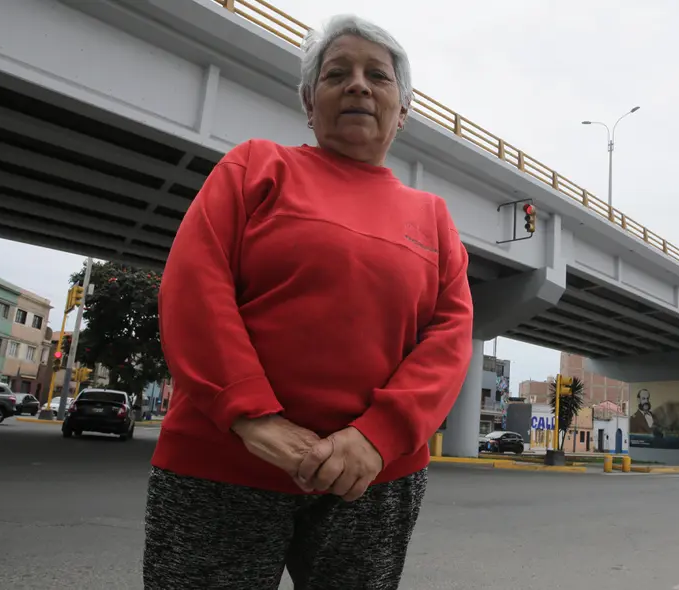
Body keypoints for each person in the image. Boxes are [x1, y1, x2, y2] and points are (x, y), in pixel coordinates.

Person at [141, 14, 475, 590]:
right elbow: (196, 286)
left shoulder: (433, 218)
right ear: (308, 100)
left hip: (374, 477)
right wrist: (252, 418)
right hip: (223, 458)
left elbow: (450, 336)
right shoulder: (254, 168)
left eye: (379, 76)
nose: (358, 85)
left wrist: (377, 437)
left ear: (404, 110)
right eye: (336, 73)